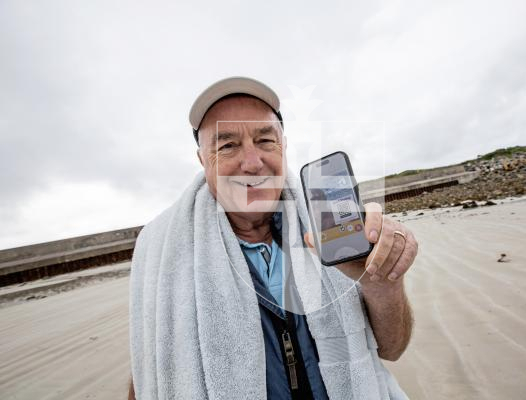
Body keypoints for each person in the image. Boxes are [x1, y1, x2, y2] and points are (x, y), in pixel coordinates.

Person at [128, 77, 418, 400]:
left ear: (283, 146)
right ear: (202, 160)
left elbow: (392, 349)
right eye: (227, 146)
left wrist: (383, 284)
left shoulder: (329, 224)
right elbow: (149, 367)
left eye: (265, 140)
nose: (252, 163)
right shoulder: (162, 251)